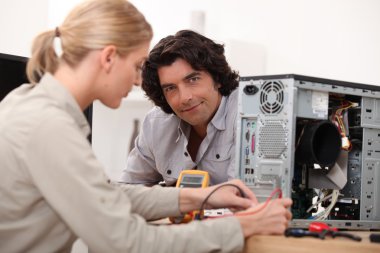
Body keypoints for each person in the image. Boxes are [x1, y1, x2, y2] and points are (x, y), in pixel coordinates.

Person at [0, 0, 292, 252]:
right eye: (138, 66)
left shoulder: (27, 104)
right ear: (109, 57)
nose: (139, 81)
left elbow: (107, 195)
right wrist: (242, 226)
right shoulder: (49, 127)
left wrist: (198, 195)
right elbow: (127, 243)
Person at [121, 30, 240, 186]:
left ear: (216, 78)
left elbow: (243, 198)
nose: (184, 97)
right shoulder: (156, 123)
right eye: (170, 88)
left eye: (193, 79)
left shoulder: (245, 114)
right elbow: (129, 189)